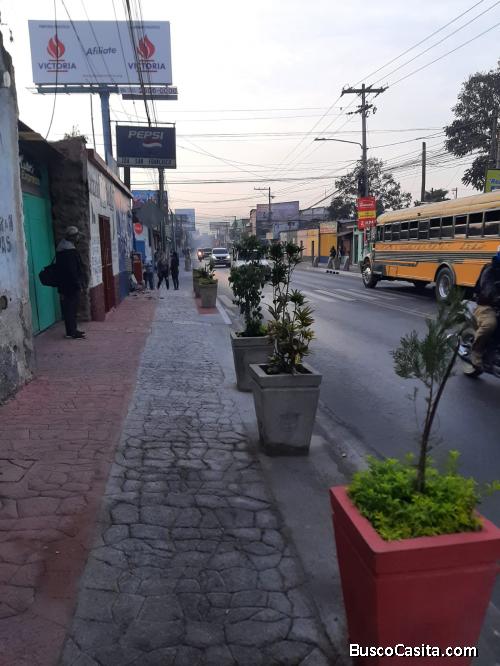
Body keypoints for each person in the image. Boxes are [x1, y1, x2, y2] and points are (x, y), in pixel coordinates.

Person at [56, 226, 87, 339]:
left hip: (65, 284)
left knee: (70, 308)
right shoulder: (69, 251)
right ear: (72, 237)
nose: (78, 238)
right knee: (71, 308)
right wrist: (78, 284)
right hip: (71, 285)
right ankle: (72, 332)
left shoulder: (63, 248)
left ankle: (71, 330)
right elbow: (72, 270)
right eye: (77, 236)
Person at [471, 250, 500, 369]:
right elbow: (487, 286)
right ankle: (476, 351)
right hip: (486, 305)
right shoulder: (490, 269)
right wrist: (496, 296)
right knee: (490, 324)